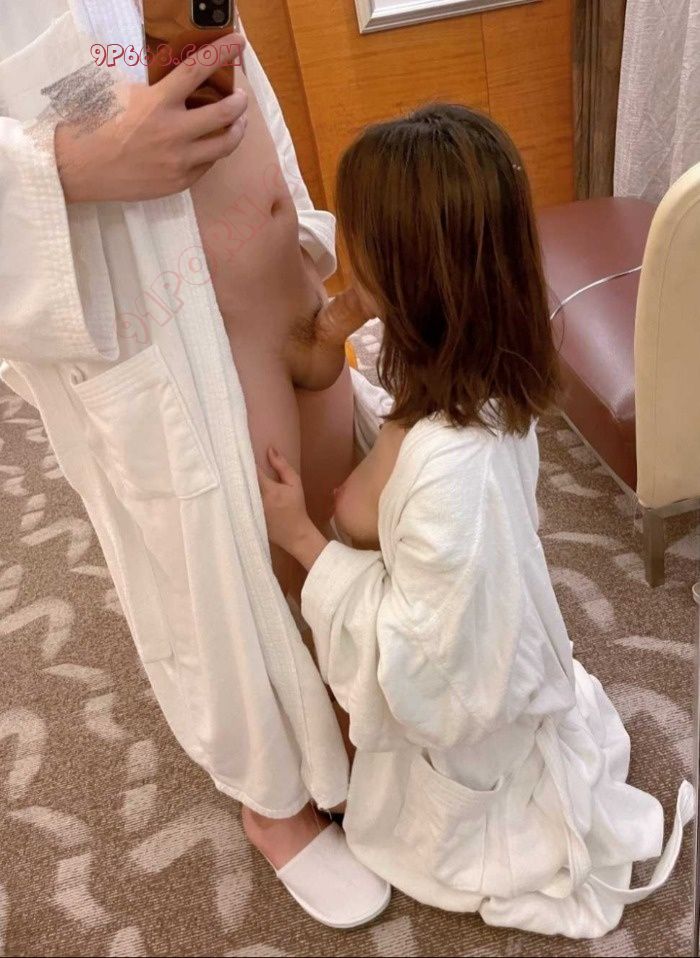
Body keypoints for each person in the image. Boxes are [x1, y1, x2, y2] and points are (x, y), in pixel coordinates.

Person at [258, 103, 694, 939]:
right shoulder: (482, 376)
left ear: (410, 280)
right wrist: (341, 317)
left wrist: (306, 541)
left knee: (429, 784)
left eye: (362, 250)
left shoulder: (449, 475)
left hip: (466, 725)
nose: (347, 264)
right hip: (464, 585)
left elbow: (432, 673)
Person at [0, 1, 388, 927]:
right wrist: (59, 168)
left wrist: (296, 226)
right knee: (227, 563)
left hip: (279, 278)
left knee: (336, 511)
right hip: (164, 322)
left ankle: (355, 722)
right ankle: (275, 801)